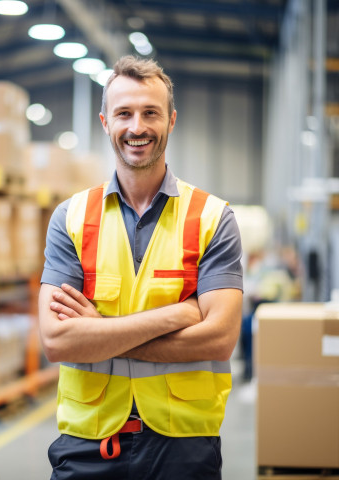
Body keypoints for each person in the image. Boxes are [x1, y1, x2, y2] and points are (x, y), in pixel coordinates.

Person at [39, 55, 243, 480]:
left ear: (171, 120)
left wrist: (98, 334)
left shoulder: (212, 217)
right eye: (124, 113)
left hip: (184, 442)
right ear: (104, 122)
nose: (137, 127)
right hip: (88, 441)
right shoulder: (71, 217)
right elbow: (58, 340)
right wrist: (175, 316)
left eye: (150, 113)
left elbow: (219, 339)